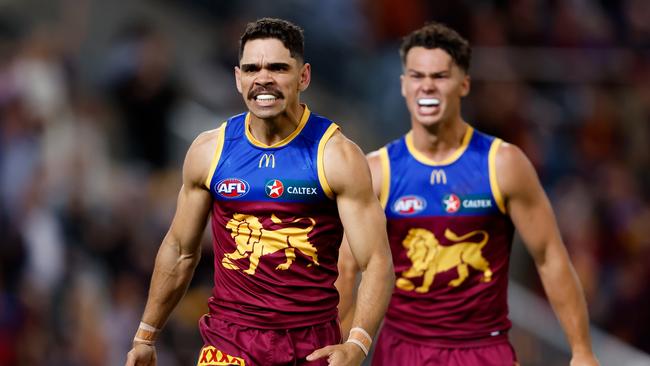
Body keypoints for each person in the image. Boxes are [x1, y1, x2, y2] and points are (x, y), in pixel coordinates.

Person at [125, 18, 394, 366]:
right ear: (238, 78)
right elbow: (179, 250)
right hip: (229, 343)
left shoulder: (336, 155)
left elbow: (376, 262)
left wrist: (357, 344)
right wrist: (145, 336)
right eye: (252, 68)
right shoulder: (211, 151)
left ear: (304, 77)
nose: (263, 78)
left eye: (278, 68)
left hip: (310, 347)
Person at [336, 22, 600, 366]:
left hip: (483, 350)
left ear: (464, 84)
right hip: (403, 351)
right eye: (416, 75)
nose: (427, 86)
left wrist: (581, 350)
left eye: (440, 76)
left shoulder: (503, 164)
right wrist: (339, 344)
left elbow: (550, 257)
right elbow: (346, 266)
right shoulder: (377, 171)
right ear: (403, 85)